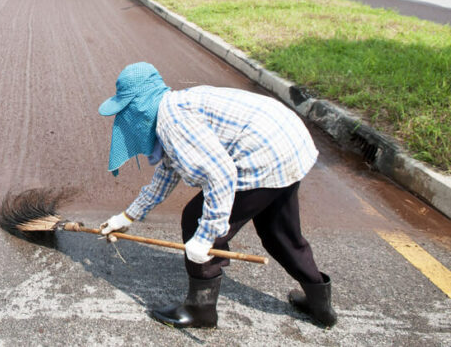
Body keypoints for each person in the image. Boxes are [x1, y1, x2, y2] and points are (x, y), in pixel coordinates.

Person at [99, 62, 336, 330]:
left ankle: (200, 309)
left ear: (139, 107)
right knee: (278, 231)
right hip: (288, 141)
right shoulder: (173, 106)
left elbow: (220, 177)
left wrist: (206, 236)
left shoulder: (174, 124)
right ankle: (320, 305)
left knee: (196, 217)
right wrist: (127, 215)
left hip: (264, 153)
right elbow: (167, 173)